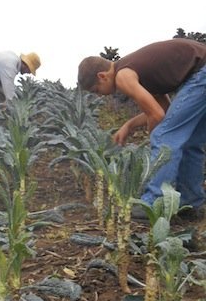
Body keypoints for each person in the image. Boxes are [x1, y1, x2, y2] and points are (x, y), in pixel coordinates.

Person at [78, 38, 206, 219]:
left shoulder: (123, 76)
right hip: (202, 72)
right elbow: (163, 110)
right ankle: (191, 204)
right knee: (190, 141)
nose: (100, 95)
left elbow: (158, 117)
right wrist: (128, 125)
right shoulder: (140, 71)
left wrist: (154, 142)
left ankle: (154, 202)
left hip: (201, 74)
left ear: (102, 76)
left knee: (164, 136)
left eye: (96, 91)